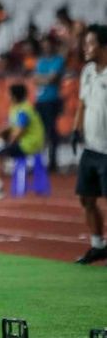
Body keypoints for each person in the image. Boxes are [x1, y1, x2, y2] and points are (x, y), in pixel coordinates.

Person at [73, 24, 107, 264]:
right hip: (90, 147)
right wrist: (76, 129)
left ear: (104, 47)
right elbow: (82, 103)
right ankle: (97, 245)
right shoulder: (87, 71)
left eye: (91, 43)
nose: (86, 48)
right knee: (86, 198)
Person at [0, 83, 45, 200]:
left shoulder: (24, 109)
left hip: (29, 144)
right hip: (25, 142)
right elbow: (10, 125)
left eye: (9, 94)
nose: (7, 96)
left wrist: (7, 144)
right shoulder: (17, 107)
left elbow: (19, 130)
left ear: (14, 96)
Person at [34, 35, 65, 172]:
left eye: (48, 45)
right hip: (40, 100)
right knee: (38, 132)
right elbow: (36, 79)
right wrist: (45, 79)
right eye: (44, 45)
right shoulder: (40, 61)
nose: (46, 48)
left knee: (51, 132)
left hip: (52, 100)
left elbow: (52, 79)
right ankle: (38, 162)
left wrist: (43, 79)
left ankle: (53, 162)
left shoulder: (58, 60)